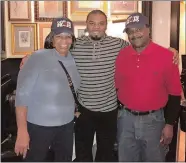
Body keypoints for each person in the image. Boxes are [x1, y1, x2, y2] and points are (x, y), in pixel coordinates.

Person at [19, 10, 180, 162]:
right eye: (92, 23)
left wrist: (170, 50)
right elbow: (57, 49)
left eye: (101, 23)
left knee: (106, 154)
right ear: (86, 25)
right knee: (83, 154)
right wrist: (31, 55)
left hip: (109, 111)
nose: (96, 27)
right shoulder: (76, 45)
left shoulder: (119, 45)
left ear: (106, 25)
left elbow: (140, 45)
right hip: (84, 111)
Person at [115, 13, 182, 162]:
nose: (134, 34)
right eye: (130, 31)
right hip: (125, 120)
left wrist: (169, 124)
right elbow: (116, 87)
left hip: (154, 121)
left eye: (138, 29)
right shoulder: (121, 55)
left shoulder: (166, 56)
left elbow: (175, 93)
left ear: (148, 30)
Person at [14, 17, 80, 162]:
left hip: (66, 127)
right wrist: (22, 131)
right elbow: (21, 97)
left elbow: (70, 90)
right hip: (38, 128)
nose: (64, 41)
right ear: (52, 38)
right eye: (59, 36)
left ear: (72, 38)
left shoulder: (74, 59)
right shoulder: (36, 58)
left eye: (68, 36)